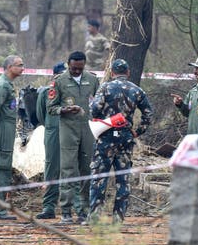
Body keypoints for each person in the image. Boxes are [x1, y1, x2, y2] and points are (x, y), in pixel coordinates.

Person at [87, 59, 153, 224]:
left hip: (106, 137)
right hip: (125, 138)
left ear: (112, 72)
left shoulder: (105, 87)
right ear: (128, 72)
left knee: (100, 177)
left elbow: (94, 110)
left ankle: (95, 217)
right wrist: (137, 132)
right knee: (123, 178)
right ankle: (118, 218)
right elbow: (148, 115)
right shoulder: (137, 90)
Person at [47, 51, 99, 224]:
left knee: (86, 168)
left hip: (88, 129)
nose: (77, 71)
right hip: (68, 129)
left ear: (84, 65)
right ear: (69, 64)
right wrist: (64, 110)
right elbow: (51, 107)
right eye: (74, 68)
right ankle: (66, 210)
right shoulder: (59, 81)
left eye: (80, 68)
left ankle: (84, 209)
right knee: (68, 169)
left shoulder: (92, 80)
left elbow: (98, 103)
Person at [0, 55, 24, 220]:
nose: (23, 68)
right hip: (0, 131)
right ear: (9, 67)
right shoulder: (2, 86)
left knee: (2, 169)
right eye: (19, 65)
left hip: (5, 131)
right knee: (0, 170)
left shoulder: (7, 84)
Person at [35, 61, 67, 219]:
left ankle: (73, 206)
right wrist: (50, 126)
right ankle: (49, 206)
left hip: (71, 134)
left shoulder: (74, 92)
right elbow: (40, 115)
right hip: (53, 134)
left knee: (72, 169)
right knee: (51, 169)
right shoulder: (46, 92)